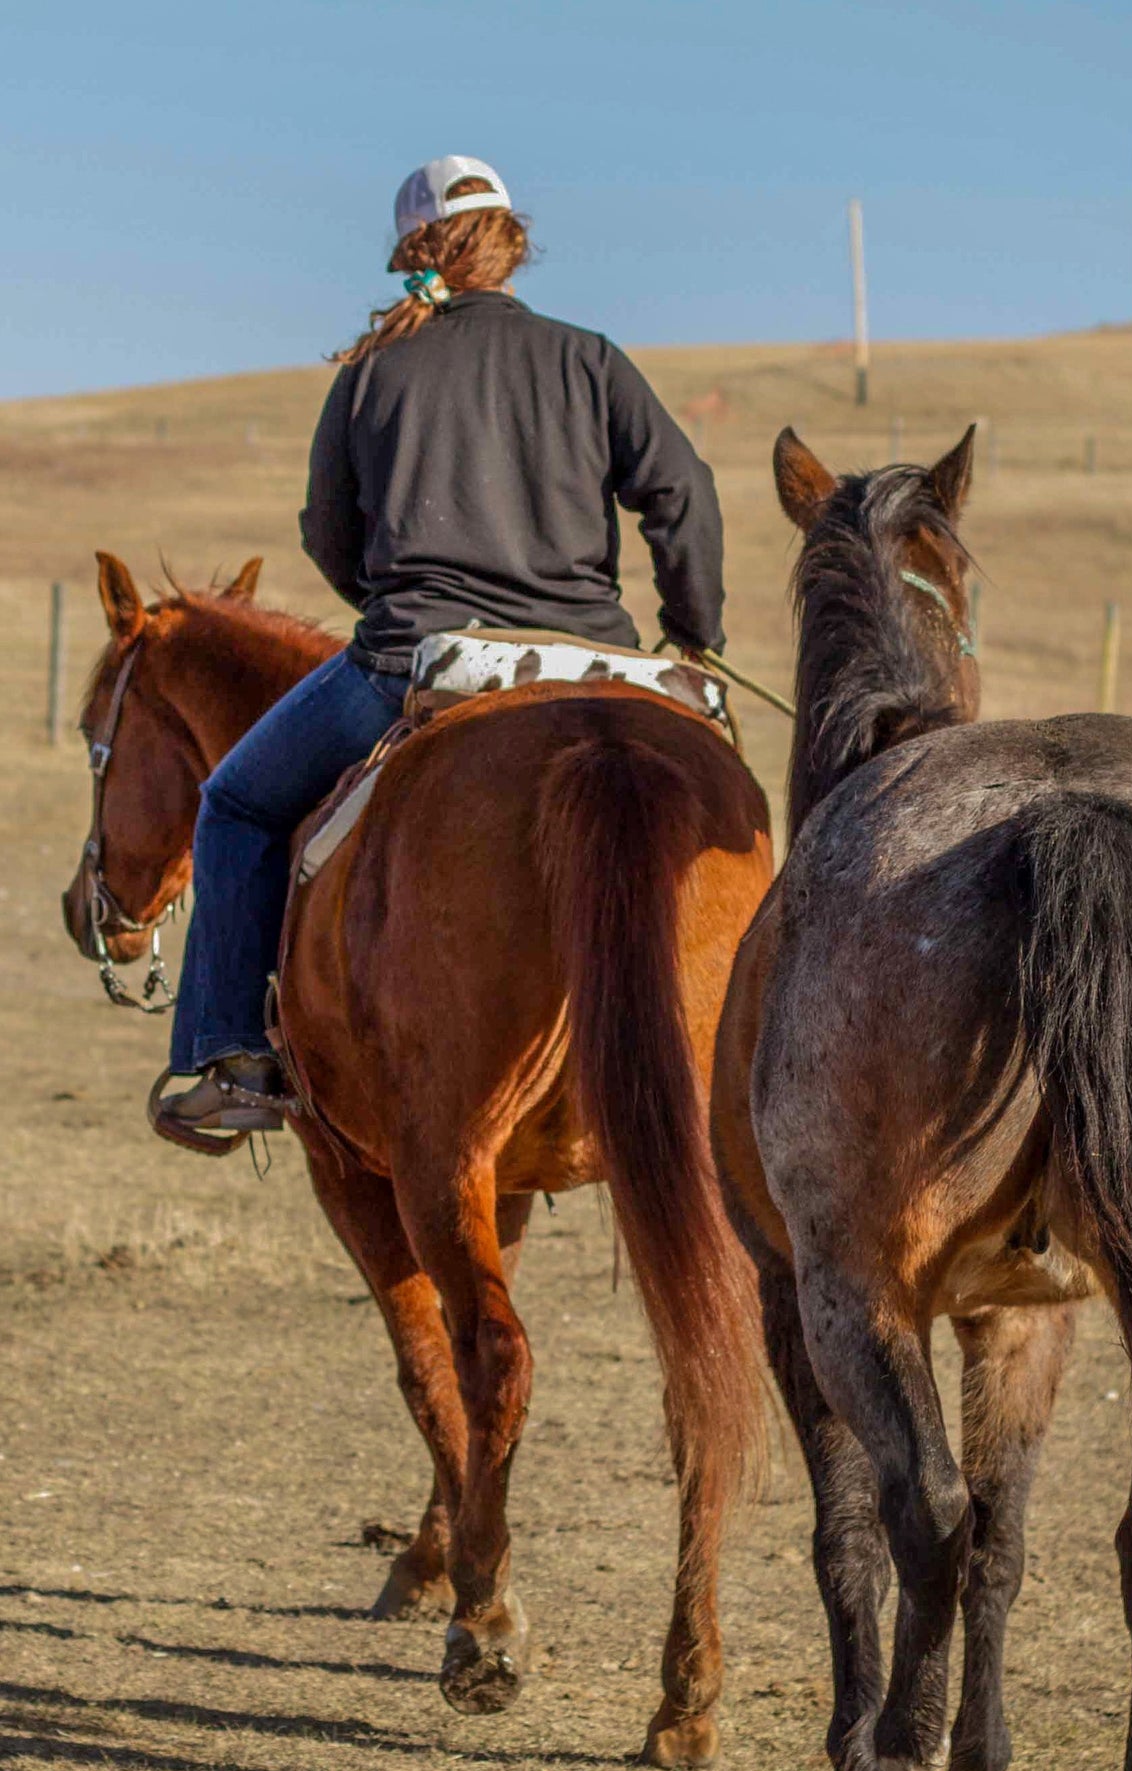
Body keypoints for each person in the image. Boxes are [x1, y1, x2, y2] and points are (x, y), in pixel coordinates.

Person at [161, 154, 725, 1139]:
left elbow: (328, 531)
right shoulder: (589, 358)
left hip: (417, 662)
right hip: (592, 658)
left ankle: (235, 1056)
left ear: (413, 252)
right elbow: (682, 492)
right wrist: (694, 628)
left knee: (237, 804)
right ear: (510, 245)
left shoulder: (373, 370)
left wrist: (389, 603)